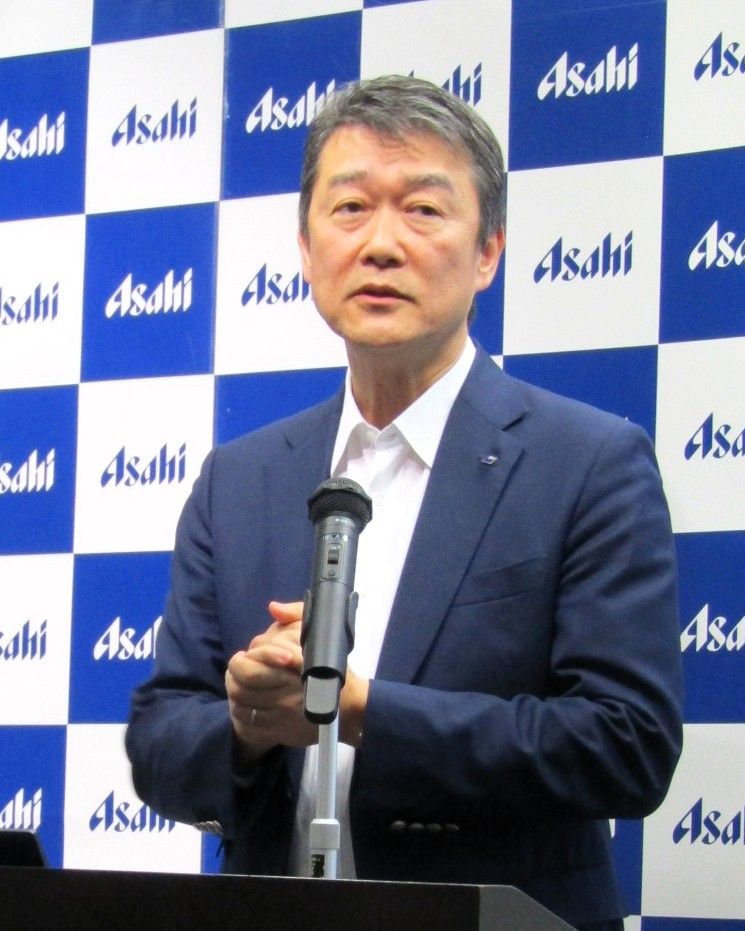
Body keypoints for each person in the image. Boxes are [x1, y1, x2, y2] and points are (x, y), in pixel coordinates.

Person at [126, 75, 683, 930]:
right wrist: (246, 723)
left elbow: (627, 743)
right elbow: (159, 741)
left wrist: (361, 711)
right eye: (350, 208)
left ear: (488, 251)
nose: (381, 243)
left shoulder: (589, 462)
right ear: (306, 248)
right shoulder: (238, 478)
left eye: (423, 210)